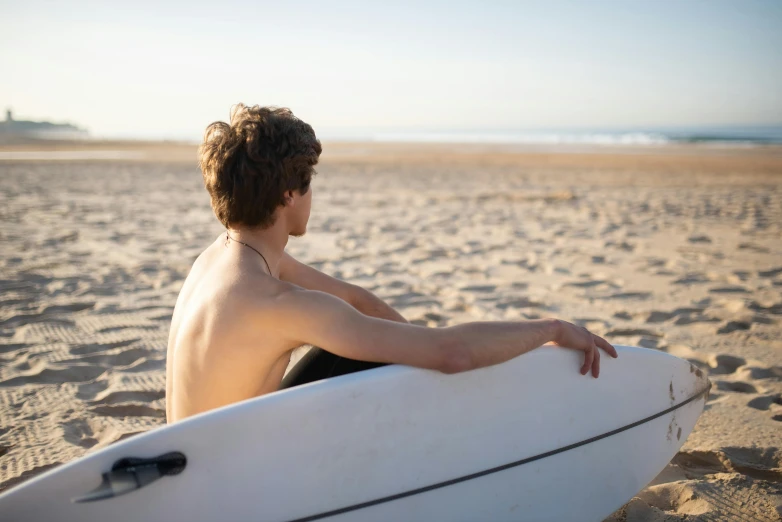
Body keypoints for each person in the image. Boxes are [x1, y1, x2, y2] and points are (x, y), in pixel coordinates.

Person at [165, 104, 617, 423]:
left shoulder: (222, 259)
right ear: (289, 194)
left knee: (366, 342)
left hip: (193, 455)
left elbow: (358, 300)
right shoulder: (279, 302)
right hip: (233, 482)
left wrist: (414, 343)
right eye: (309, 184)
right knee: (374, 354)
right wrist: (554, 328)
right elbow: (453, 355)